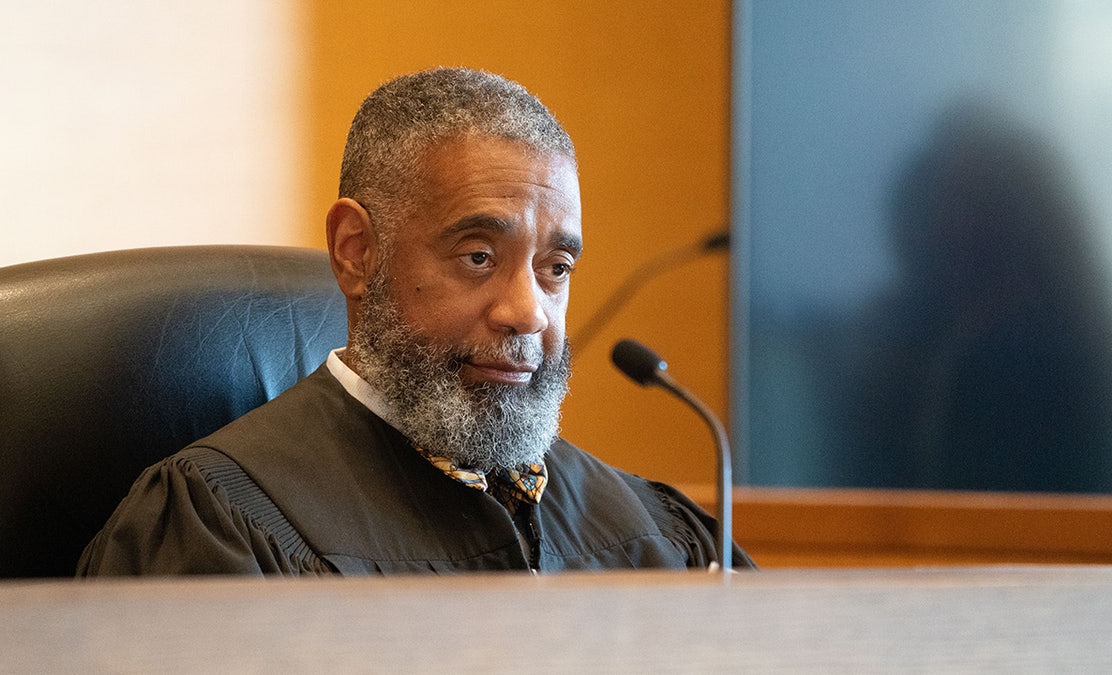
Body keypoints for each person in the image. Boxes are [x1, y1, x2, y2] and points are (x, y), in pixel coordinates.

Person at [78, 67, 753, 576]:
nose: (528, 313)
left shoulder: (657, 533)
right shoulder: (216, 524)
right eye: (479, 256)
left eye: (555, 269)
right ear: (355, 252)